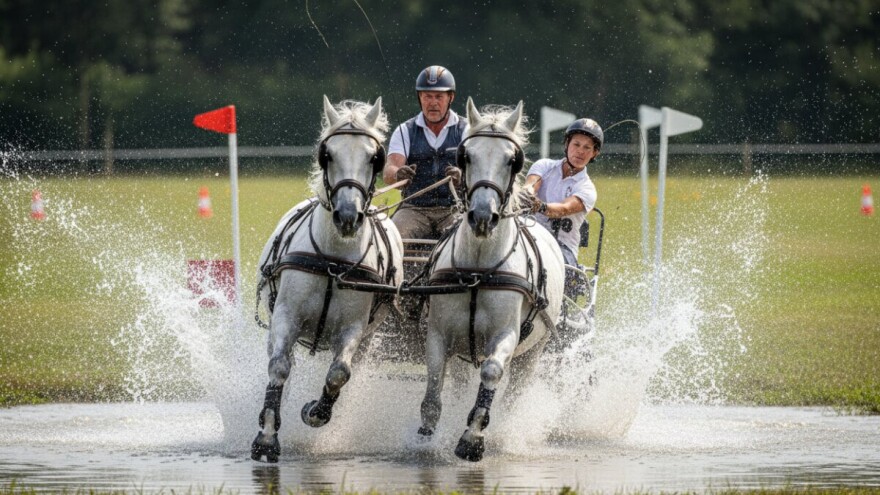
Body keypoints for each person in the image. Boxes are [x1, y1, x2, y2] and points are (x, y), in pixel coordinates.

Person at [517, 118, 603, 297]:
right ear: (567, 144)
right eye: (576, 144)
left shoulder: (587, 189)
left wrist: (540, 207)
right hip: (529, 234)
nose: (580, 151)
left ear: (595, 153)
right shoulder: (544, 166)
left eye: (587, 148)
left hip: (562, 247)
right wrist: (527, 193)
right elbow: (532, 185)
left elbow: (564, 208)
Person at [383, 65, 466, 241]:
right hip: (413, 209)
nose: (433, 102)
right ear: (420, 98)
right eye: (427, 96)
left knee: (464, 241)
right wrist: (398, 174)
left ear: (451, 97)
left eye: (439, 96)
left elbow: (480, 173)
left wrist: (463, 177)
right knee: (391, 238)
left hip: (454, 209)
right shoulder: (404, 130)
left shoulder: (466, 131)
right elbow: (388, 172)